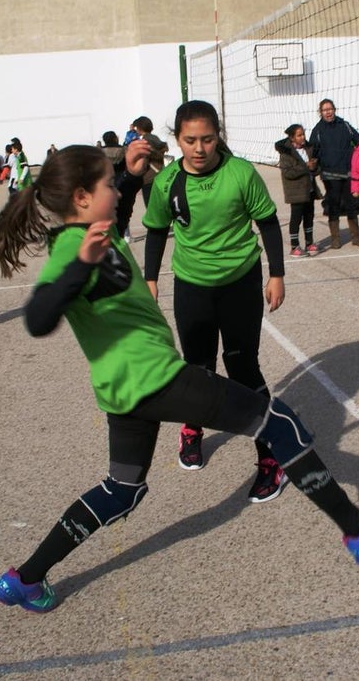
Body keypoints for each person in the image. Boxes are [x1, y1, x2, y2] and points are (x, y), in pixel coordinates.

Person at [0, 143, 359, 612]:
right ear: (84, 197)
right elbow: (38, 318)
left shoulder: (89, 227)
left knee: (122, 492)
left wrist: (126, 179)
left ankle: (25, 578)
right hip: (156, 380)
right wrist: (79, 268)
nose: (118, 190)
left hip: (121, 391)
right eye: (107, 184)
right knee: (280, 424)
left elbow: (115, 210)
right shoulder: (75, 250)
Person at [142, 100, 290, 503]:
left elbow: (267, 223)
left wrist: (276, 273)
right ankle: (192, 428)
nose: (200, 148)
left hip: (241, 283)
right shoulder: (167, 182)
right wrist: (150, 279)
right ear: (177, 139)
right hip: (193, 286)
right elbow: (156, 231)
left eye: (207, 138)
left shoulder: (241, 173)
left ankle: (270, 456)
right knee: (197, 368)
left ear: (218, 136)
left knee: (243, 367)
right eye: (190, 140)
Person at [310, 99, 359, 248]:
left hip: (347, 172)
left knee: (351, 205)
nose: (328, 112)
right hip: (329, 174)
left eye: (330, 109)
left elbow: (358, 140)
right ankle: (335, 239)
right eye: (325, 110)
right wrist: (314, 165)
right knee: (333, 206)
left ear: (334, 109)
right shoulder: (318, 130)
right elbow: (313, 152)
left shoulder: (344, 125)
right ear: (320, 112)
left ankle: (355, 237)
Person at [275, 123, 320, 257]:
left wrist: (314, 168)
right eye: (299, 135)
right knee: (296, 218)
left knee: (309, 216)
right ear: (292, 138)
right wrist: (306, 167)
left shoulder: (308, 149)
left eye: (303, 134)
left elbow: (315, 169)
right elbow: (288, 173)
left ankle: (309, 243)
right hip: (296, 192)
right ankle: (294, 246)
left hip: (309, 190)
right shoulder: (286, 153)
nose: (302, 137)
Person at [132, 116, 169, 209]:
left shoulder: (144, 142)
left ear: (139, 128)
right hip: (160, 173)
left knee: (151, 208)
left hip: (148, 176)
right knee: (161, 206)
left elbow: (143, 159)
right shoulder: (155, 138)